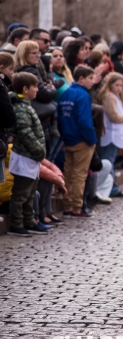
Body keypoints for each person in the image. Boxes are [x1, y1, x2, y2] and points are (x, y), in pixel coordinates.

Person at [7, 72, 49, 236]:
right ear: (25, 89)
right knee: (21, 193)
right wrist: (38, 149)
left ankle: (29, 220)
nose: (38, 90)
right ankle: (17, 224)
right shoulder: (21, 108)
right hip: (25, 155)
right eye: (35, 87)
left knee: (30, 193)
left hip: (31, 157)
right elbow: (25, 132)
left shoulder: (26, 105)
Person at [57, 65, 98, 218]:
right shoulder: (83, 95)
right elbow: (85, 121)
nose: (92, 82)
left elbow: (60, 117)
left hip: (68, 138)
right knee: (80, 175)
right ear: (81, 78)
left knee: (68, 173)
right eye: (90, 78)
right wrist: (92, 140)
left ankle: (67, 206)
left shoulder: (66, 93)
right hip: (82, 140)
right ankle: (77, 207)